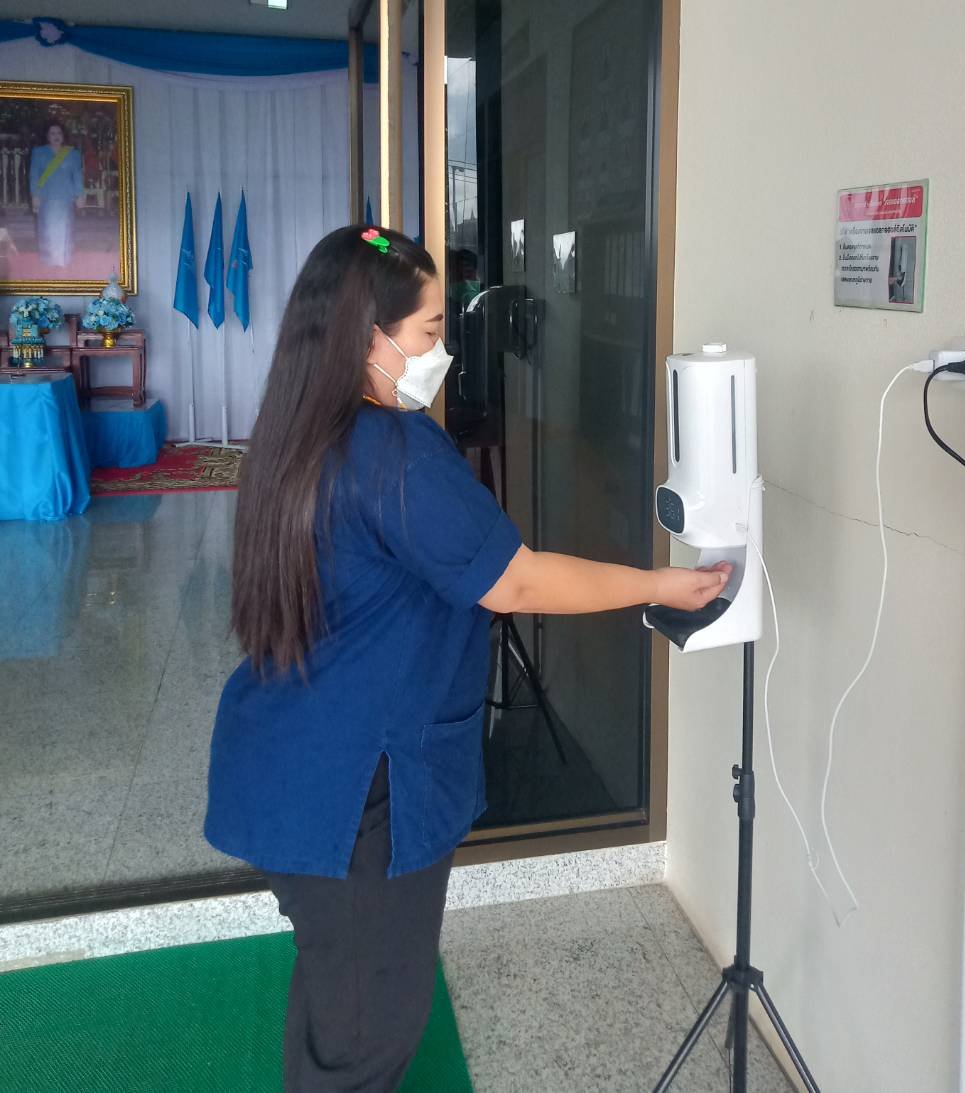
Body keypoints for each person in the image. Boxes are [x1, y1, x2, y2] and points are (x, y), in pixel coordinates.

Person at [204, 225, 729, 1093]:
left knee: (340, 998)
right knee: (367, 1030)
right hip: (357, 795)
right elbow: (515, 581)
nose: (440, 352)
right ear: (368, 339)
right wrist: (661, 583)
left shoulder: (296, 435)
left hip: (291, 769)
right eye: (428, 331)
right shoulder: (393, 452)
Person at [29, 120, 83, 268]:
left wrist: (80, 195)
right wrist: (35, 195)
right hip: (46, 197)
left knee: (65, 229)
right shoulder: (38, 152)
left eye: (59, 133)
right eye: (52, 133)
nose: (56, 136)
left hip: (66, 197)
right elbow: (34, 176)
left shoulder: (73, 153)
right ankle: (49, 260)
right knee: (47, 229)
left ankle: (64, 259)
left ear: (63, 135)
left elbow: (77, 176)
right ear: (47, 136)